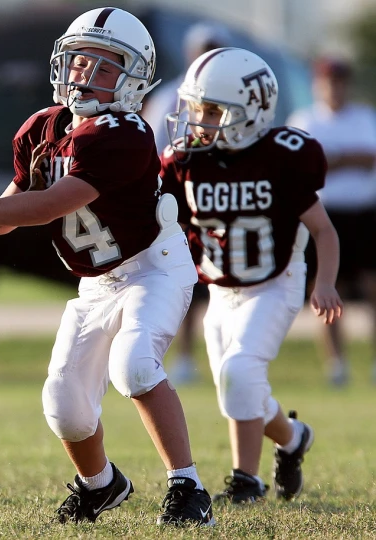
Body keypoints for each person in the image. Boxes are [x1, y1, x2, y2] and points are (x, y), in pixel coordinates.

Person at [0, 7, 214, 527]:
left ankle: (188, 487)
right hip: (96, 281)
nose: (85, 76)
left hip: (153, 268)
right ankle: (101, 485)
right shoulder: (43, 128)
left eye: (104, 67)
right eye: (80, 62)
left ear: (133, 78)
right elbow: (12, 210)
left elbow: (50, 205)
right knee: (63, 403)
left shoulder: (124, 132)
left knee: (135, 365)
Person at [160, 47, 343, 503]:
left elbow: (323, 229)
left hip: (275, 283)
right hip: (221, 290)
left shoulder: (283, 156)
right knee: (236, 388)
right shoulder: (189, 161)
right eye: (195, 107)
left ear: (252, 112)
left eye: (212, 110)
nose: (198, 119)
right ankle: (293, 437)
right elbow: (163, 219)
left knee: (240, 373)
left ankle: (247, 481)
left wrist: (324, 283)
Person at [141, 21, 231, 385]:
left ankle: (229, 357)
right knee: (184, 287)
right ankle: (182, 358)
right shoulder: (170, 98)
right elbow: (154, 155)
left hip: (229, 205)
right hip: (186, 208)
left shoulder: (235, 94)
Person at [287, 56, 376, 386]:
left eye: (340, 81)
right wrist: (343, 159)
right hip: (323, 215)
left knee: (371, 287)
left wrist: (332, 159)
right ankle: (336, 364)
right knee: (325, 287)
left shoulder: (365, 117)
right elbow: (305, 168)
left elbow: (369, 159)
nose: (334, 88)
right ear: (318, 84)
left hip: (363, 213)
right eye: (328, 81)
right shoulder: (306, 119)